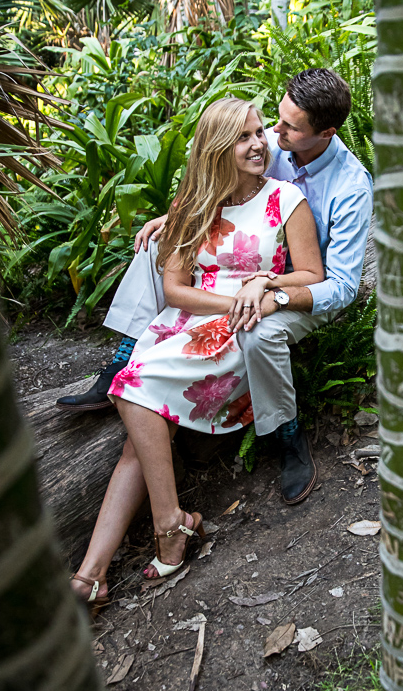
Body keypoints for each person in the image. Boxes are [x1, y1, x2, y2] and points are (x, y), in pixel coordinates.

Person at [57, 68, 373, 504]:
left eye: (287, 127)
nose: (273, 134)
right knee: (155, 246)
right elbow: (235, 183)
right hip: (252, 267)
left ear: (326, 133)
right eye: (274, 120)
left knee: (260, 330)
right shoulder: (279, 144)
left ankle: (287, 434)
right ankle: (122, 360)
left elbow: (339, 286)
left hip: (306, 287)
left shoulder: (351, 185)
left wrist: (273, 291)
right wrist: (182, 217)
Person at [71, 97, 325, 608]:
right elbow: (175, 289)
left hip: (239, 331)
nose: (258, 144)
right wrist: (234, 295)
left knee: (134, 393)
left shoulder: (284, 200)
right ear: (216, 147)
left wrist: (263, 287)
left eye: (259, 133)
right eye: (243, 137)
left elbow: (312, 276)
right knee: (140, 417)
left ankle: (158, 538)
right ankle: (99, 570)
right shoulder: (193, 205)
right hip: (186, 324)